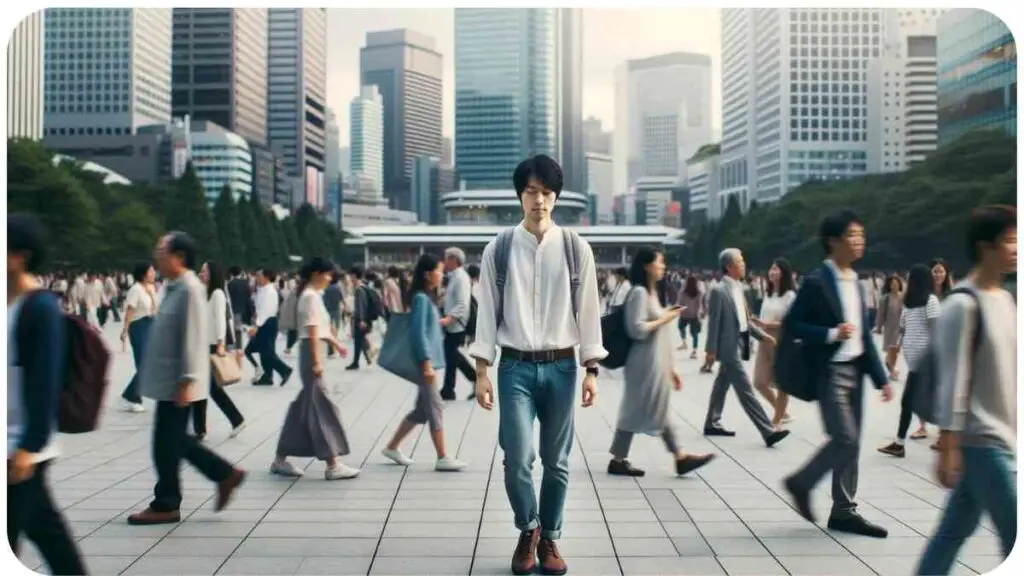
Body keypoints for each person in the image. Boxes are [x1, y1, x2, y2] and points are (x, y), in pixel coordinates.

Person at [470, 155, 605, 576]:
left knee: (557, 460)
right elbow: (487, 311)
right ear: (520, 196)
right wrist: (481, 371)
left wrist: (592, 370)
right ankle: (528, 527)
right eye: (532, 192)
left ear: (556, 197)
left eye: (547, 193)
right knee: (516, 458)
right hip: (514, 368)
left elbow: (589, 311)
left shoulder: (574, 248)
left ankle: (549, 537)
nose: (540, 200)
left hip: (563, 367)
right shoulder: (501, 247)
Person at [916, 205, 1016, 574]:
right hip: (981, 442)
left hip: (1003, 439)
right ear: (984, 247)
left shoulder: (1005, 300)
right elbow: (952, 381)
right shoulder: (962, 304)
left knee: (952, 534)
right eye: (1009, 240)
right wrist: (948, 445)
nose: (1017, 247)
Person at [782, 209, 893, 539]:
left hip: (855, 369)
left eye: (862, 235)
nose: (860, 242)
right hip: (829, 370)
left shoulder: (856, 283)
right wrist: (830, 333)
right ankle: (801, 482)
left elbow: (863, 337)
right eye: (853, 236)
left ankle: (844, 511)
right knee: (845, 438)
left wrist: (882, 377)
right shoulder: (817, 281)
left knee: (852, 443)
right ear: (833, 242)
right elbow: (794, 324)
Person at [128, 232, 246, 525]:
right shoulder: (174, 286)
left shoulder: (191, 289)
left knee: (168, 443)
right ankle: (220, 476)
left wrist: (186, 380)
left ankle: (171, 501)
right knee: (171, 442)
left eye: (161, 251)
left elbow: (193, 337)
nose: (157, 256)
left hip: (178, 383)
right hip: (170, 381)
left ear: (178, 256)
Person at [7, 213, 89, 575]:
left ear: (19, 255)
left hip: (20, 447)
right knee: (47, 532)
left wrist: (29, 445)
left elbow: (44, 381)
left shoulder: (38, 308)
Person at [608, 248, 715, 478]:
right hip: (642, 363)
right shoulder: (638, 293)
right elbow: (636, 329)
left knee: (654, 407)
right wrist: (665, 317)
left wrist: (672, 368)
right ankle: (673, 457)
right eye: (660, 262)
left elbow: (658, 332)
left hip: (654, 362)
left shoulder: (651, 293)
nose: (663, 266)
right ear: (647, 266)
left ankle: (677, 457)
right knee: (637, 408)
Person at [270, 258, 359, 480]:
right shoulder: (310, 297)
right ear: (316, 273)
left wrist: (335, 344)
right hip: (311, 353)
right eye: (328, 274)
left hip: (312, 351)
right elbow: (310, 330)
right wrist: (317, 361)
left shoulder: (311, 295)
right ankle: (332, 464)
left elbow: (318, 328)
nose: (331, 279)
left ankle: (280, 459)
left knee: (303, 408)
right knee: (322, 408)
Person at [381, 253, 468, 472]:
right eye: (439, 271)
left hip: (426, 363)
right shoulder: (421, 298)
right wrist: (426, 362)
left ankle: (392, 447)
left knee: (422, 410)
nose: (442, 275)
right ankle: (442, 456)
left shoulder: (427, 297)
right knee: (436, 406)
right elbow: (418, 334)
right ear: (428, 274)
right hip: (424, 363)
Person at [702, 248, 790, 448]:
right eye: (740, 262)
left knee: (721, 385)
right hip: (727, 349)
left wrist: (763, 336)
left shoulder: (738, 288)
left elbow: (745, 321)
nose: (744, 265)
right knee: (746, 390)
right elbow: (714, 322)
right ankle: (767, 431)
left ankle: (711, 422)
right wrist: (710, 350)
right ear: (729, 266)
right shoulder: (718, 290)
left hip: (737, 344)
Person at [877, 264, 939, 458]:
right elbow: (903, 329)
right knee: (913, 402)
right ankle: (899, 443)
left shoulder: (931, 301)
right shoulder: (909, 303)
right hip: (914, 364)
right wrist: (896, 346)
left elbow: (936, 331)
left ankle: (901, 442)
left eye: (910, 278)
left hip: (927, 364)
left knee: (917, 402)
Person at [191, 261, 247, 441]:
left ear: (213, 273)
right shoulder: (203, 292)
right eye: (200, 271)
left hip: (213, 345)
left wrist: (222, 343)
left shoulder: (217, 294)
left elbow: (221, 320)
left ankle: (230, 421)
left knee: (205, 388)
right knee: (205, 388)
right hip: (201, 345)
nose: (201, 274)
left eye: (204, 271)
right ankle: (203, 429)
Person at [750, 258, 797, 429]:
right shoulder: (768, 294)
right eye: (771, 268)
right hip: (764, 337)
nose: (772, 271)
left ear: (784, 273)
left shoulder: (790, 296)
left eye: (776, 269)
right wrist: (758, 324)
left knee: (781, 382)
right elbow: (764, 317)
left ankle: (776, 420)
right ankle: (782, 412)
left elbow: (790, 323)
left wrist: (766, 324)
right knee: (759, 382)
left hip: (780, 339)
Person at [119, 262, 158, 413]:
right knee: (144, 364)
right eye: (151, 271)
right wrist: (124, 330)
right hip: (138, 326)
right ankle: (132, 397)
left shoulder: (152, 288)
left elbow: (154, 309)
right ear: (143, 274)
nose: (154, 273)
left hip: (150, 325)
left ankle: (133, 396)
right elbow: (130, 310)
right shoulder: (135, 289)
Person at [439, 247, 476, 401]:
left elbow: (462, 304)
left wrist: (449, 318)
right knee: (450, 356)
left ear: (454, 259)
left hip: (457, 324)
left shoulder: (461, 277)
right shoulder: (454, 276)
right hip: (452, 324)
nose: (445, 261)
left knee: (452, 355)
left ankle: (472, 379)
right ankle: (448, 389)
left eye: (447, 258)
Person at [246, 269, 292, 386]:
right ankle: (267, 377)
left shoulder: (270, 291)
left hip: (267, 323)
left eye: (259, 276)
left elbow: (265, 310)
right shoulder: (262, 290)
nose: (256, 278)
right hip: (262, 322)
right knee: (263, 351)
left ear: (266, 278)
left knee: (266, 352)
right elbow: (258, 308)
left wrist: (256, 326)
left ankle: (285, 370)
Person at [675, 275, 704, 358]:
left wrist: (678, 311)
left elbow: (679, 303)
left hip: (684, 314)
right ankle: (694, 351)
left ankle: (684, 343)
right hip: (694, 315)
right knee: (695, 334)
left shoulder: (682, 292)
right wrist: (699, 314)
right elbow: (699, 305)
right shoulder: (699, 292)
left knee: (680, 327)